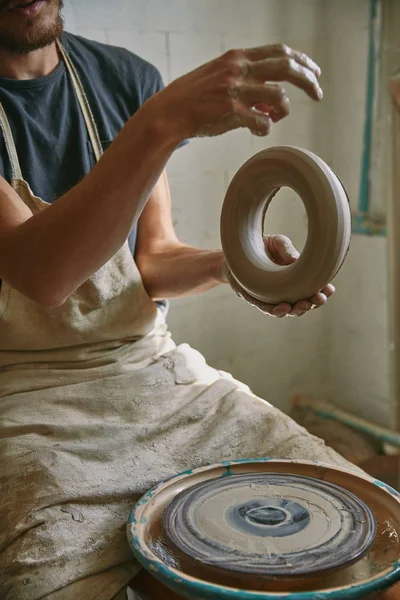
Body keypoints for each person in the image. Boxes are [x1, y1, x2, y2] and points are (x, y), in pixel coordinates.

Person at [0, 1, 377, 599]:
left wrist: (235, 267)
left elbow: (150, 261)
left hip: (149, 372)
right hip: (22, 400)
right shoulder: (154, 106)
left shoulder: (125, 79)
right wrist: (163, 120)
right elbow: (42, 276)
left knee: (364, 535)